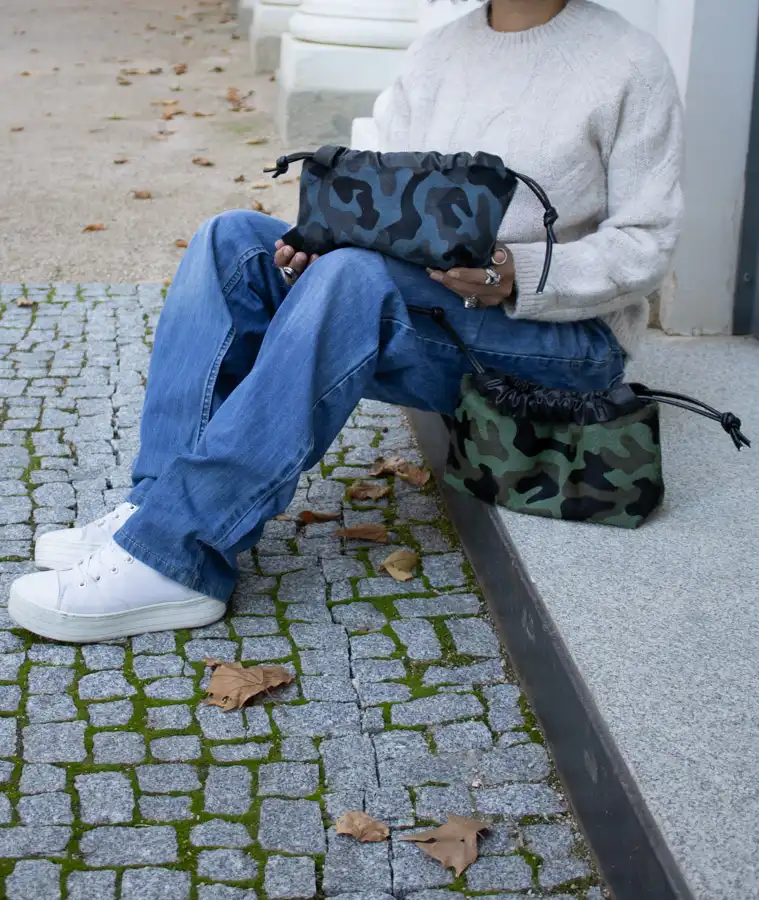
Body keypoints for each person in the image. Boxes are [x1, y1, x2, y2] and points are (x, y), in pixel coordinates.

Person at [9, 0, 683, 642]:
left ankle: (176, 552)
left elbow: (646, 242)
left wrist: (518, 272)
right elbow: (379, 193)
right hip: (432, 304)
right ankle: (155, 503)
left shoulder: (627, 61)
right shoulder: (440, 51)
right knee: (232, 242)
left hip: (561, 339)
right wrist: (320, 239)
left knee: (355, 278)